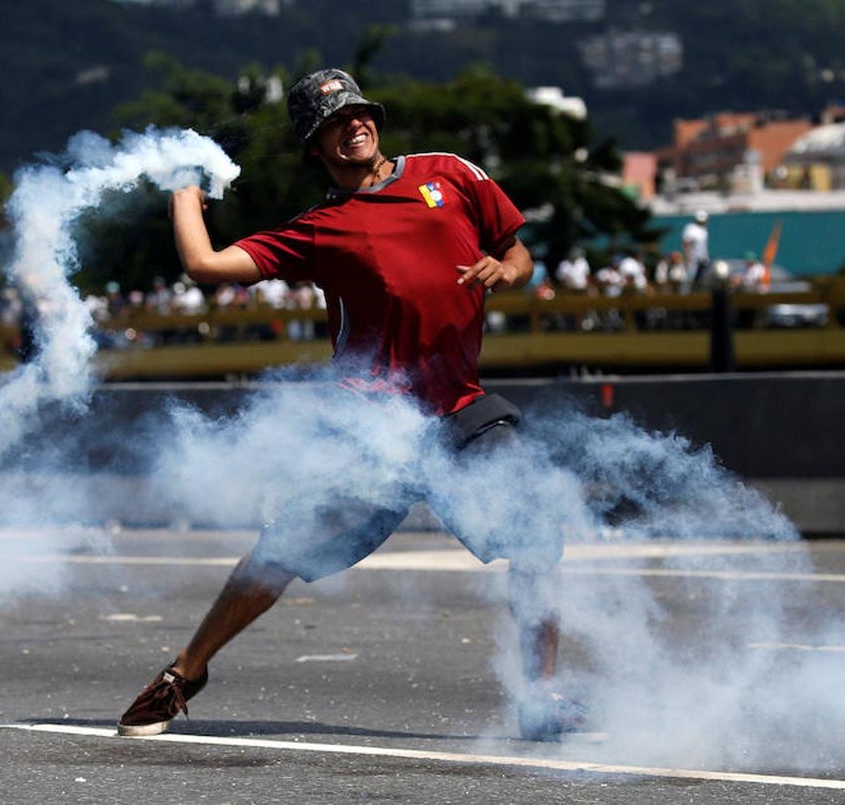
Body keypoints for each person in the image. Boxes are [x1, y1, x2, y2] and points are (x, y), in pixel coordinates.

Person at [117, 68, 584, 741]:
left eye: (359, 113)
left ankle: (539, 698)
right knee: (279, 552)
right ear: (316, 146)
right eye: (335, 122)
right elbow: (206, 267)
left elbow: (518, 254)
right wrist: (184, 196)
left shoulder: (449, 173)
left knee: (538, 534)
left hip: (458, 411)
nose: (353, 125)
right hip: (377, 432)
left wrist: (501, 271)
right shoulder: (319, 228)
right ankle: (186, 671)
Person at [681, 210, 710, 292]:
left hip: (703, 260)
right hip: (693, 260)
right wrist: (688, 257)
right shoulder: (691, 229)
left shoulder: (704, 230)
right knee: (689, 280)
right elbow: (686, 244)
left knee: (701, 281)